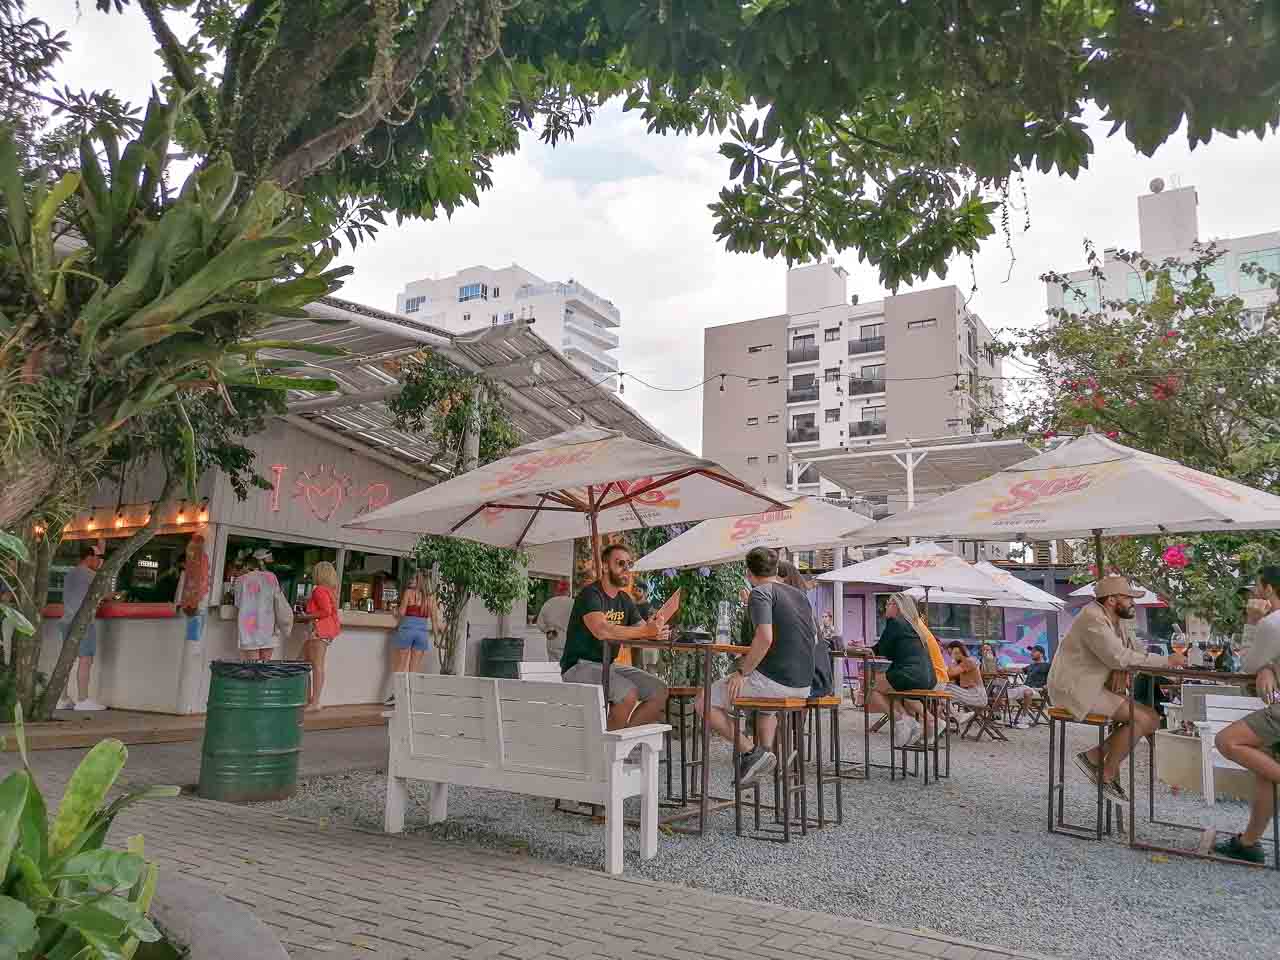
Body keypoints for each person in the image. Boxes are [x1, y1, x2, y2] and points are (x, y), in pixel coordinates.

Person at [1047, 575, 1184, 801]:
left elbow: (1135, 651)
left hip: (1092, 686)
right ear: (1111, 600)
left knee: (1151, 718)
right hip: (1074, 687)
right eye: (1129, 598)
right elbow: (1118, 658)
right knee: (1145, 719)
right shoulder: (1092, 618)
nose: (1133, 602)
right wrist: (1166, 662)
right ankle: (1105, 773)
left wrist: (1167, 668)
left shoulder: (1117, 619)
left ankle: (1094, 756)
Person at [694, 547, 816, 784]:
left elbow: (765, 637)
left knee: (703, 701)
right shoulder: (799, 595)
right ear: (775, 568)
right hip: (803, 685)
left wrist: (742, 672)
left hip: (777, 683)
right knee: (765, 706)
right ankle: (764, 755)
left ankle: (751, 752)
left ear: (748, 573)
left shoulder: (760, 593)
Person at [560, 543, 669, 730]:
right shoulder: (591, 594)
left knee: (659, 690)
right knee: (627, 693)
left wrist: (656, 632)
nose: (626, 569)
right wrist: (646, 632)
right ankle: (608, 753)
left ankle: (622, 744)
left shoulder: (624, 600)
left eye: (629, 564)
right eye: (620, 563)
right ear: (604, 566)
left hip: (608, 665)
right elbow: (601, 630)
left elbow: (641, 629)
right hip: (579, 665)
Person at [1214, 565, 1280, 863]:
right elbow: (1265, 663)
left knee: (1227, 741)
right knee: (1265, 767)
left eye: (1256, 586)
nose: (1254, 592)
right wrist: (1270, 667)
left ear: (1267, 589)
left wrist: (1253, 620)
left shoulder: (1272, 622)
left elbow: (1247, 665)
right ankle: (1249, 843)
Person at [59, 545, 105, 711]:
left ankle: (61, 699)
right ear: (89, 557)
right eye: (98, 558)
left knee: (66, 660)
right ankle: (83, 700)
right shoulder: (91, 575)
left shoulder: (69, 574)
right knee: (86, 659)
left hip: (66, 620)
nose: (100, 562)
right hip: (83, 621)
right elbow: (104, 595)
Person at [385, 571, 439, 704]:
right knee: (414, 669)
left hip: (406, 631)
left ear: (420, 581)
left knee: (400, 667)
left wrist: (394, 610)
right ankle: (410, 697)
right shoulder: (431, 598)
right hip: (422, 634)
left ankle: (396, 696)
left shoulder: (409, 593)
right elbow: (435, 621)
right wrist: (437, 638)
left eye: (414, 578)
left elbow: (402, 613)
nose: (411, 580)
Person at [302, 561, 341, 711]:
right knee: (306, 664)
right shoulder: (330, 590)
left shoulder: (318, 590)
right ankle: (310, 699)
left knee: (313, 665)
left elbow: (325, 611)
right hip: (326, 631)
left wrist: (307, 616)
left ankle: (314, 701)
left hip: (318, 630)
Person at [234, 549, 283, 662]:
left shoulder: (240, 580)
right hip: (268, 626)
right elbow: (277, 599)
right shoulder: (272, 577)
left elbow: (237, 603)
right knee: (265, 666)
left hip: (248, 628)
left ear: (247, 565)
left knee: (253, 667)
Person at [174, 534, 211, 644]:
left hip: (194, 605)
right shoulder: (202, 564)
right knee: (193, 640)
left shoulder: (188, 572)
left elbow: (180, 592)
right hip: (197, 604)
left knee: (193, 640)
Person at [1004, 645, 1050, 726]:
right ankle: (996, 716)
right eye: (1031, 652)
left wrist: (1047, 686)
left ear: (1041, 654)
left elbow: (1053, 678)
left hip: (1037, 691)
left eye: (1034, 651)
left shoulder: (1047, 666)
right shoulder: (1031, 666)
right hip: (1024, 688)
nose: (1031, 653)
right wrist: (1004, 669)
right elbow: (1018, 670)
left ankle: (1025, 718)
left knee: (1027, 692)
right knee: (1003, 691)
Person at [944, 641, 989, 723]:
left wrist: (952, 660)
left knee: (946, 687)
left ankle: (956, 716)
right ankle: (944, 718)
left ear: (959, 651)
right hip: (970, 694)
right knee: (941, 695)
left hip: (978, 696)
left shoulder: (968, 661)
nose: (951, 655)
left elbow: (950, 673)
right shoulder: (961, 663)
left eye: (952, 653)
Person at [536, 580, 574, 662]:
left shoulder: (548, 603)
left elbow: (539, 624)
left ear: (557, 591)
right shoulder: (573, 603)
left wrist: (548, 630)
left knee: (553, 667)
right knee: (566, 670)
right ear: (568, 591)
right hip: (567, 642)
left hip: (552, 640)